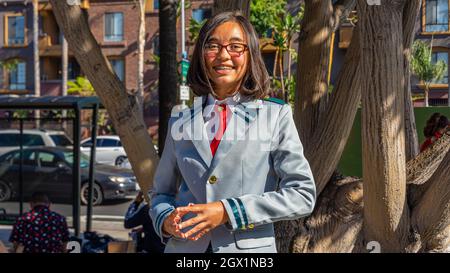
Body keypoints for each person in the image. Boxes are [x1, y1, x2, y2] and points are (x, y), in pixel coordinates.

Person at [149, 11, 316, 253]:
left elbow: (302, 195)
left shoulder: (274, 116)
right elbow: (161, 192)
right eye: (213, 45)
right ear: (201, 55)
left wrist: (228, 211)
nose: (223, 55)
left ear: (250, 56)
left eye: (236, 46)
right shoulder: (181, 120)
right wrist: (165, 220)